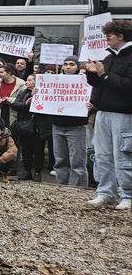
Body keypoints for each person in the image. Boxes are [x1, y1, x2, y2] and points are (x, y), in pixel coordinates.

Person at [84, 20, 132, 210]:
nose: (106, 39)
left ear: (120, 36)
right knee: (102, 155)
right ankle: (105, 192)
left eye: (109, 36)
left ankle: (127, 194)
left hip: (124, 114)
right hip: (103, 112)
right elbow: (99, 84)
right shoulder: (109, 57)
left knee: (123, 155)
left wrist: (104, 75)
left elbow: (128, 85)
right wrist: (92, 73)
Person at [51, 55, 89, 188]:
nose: (68, 66)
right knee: (60, 160)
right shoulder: (54, 81)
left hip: (76, 127)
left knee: (77, 162)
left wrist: (91, 107)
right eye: (65, 64)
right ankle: (61, 187)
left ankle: (76, 190)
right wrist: (37, 93)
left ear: (78, 66)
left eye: (72, 64)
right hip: (57, 125)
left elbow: (93, 101)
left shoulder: (86, 82)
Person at [12, 75, 50, 181]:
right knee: (26, 150)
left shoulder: (45, 92)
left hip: (39, 126)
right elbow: (15, 105)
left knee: (39, 150)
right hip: (25, 126)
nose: (26, 82)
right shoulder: (23, 93)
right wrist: (26, 102)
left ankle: (37, 171)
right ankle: (27, 171)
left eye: (29, 80)